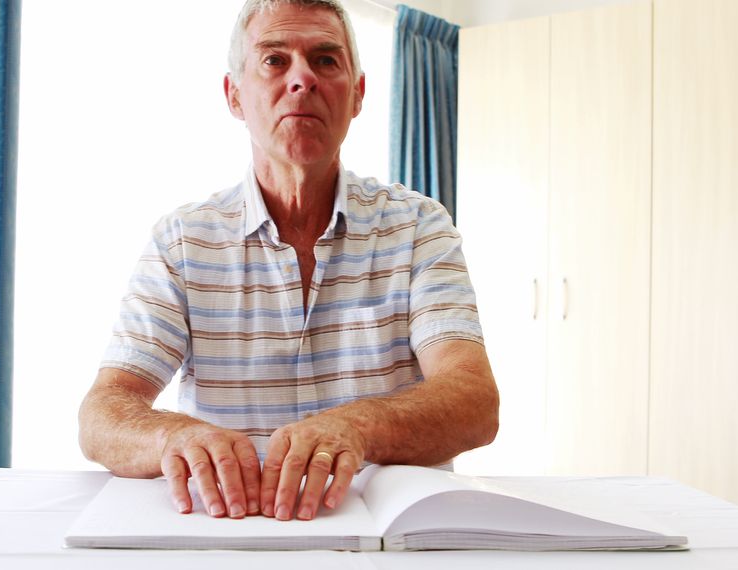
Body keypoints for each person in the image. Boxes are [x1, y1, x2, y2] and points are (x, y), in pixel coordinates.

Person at [78, 0, 498, 523]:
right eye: (275, 60)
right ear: (234, 95)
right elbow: (102, 412)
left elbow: (475, 401)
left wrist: (357, 427)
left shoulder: (419, 227)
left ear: (358, 94)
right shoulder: (181, 242)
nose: (302, 79)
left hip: (389, 542)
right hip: (231, 536)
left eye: (326, 60)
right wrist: (172, 433)